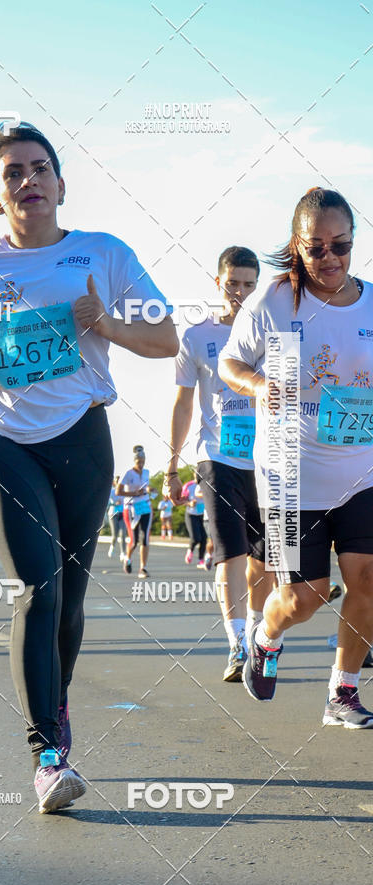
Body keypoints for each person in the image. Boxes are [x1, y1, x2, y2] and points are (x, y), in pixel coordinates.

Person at [0, 122, 178, 812]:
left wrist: (104, 324)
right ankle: (48, 754)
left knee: (70, 597)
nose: (29, 180)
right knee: (38, 587)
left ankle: (56, 706)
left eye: (40, 169)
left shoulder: (103, 254)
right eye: (13, 173)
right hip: (2, 437)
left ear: (61, 185)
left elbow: (165, 339)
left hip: (81, 436)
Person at [219, 187, 373, 727]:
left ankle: (343, 692)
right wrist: (259, 384)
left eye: (341, 246)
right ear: (297, 246)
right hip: (289, 474)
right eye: (316, 248)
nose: (329, 259)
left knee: (368, 579)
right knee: (303, 599)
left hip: (361, 472)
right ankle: (266, 636)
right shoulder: (275, 302)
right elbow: (230, 363)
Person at [164, 247, 274, 681]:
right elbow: (183, 404)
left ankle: (256, 637)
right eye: (233, 283)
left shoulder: (274, 337)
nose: (241, 293)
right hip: (216, 458)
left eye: (249, 284)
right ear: (218, 283)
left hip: (267, 461)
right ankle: (235, 644)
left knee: (263, 559)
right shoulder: (195, 337)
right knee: (229, 552)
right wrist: (171, 467)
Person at [118, 446, 153, 579]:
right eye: (139, 461)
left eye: (143, 461)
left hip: (145, 506)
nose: (141, 464)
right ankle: (127, 558)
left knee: (145, 539)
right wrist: (134, 493)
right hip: (131, 508)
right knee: (134, 540)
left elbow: (146, 486)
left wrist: (149, 489)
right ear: (135, 461)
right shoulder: (127, 473)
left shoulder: (146, 472)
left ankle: (142, 568)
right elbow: (118, 492)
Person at [180, 473, 207, 568]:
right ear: (194, 474)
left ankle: (201, 560)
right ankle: (190, 551)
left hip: (201, 515)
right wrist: (189, 503)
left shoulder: (206, 485)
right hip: (191, 515)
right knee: (196, 538)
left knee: (204, 538)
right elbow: (181, 500)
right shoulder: (188, 486)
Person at [107, 476, 126, 561]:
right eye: (117, 481)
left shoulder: (124, 491)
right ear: (114, 482)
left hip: (122, 514)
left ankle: (123, 553)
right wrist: (114, 503)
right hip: (113, 514)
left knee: (123, 534)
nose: (118, 482)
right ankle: (112, 546)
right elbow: (107, 503)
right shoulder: (111, 491)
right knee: (115, 534)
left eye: (120, 481)